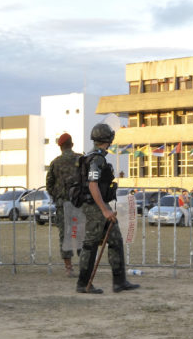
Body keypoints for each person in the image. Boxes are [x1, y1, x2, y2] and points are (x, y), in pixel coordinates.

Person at [75, 123, 140, 294]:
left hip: (96, 207)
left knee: (114, 240)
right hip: (96, 208)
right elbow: (93, 185)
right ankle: (83, 283)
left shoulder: (92, 156)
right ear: (107, 139)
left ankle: (119, 281)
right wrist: (104, 210)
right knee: (91, 245)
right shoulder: (96, 159)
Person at [46, 132, 81, 276]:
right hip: (79, 203)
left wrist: (57, 196)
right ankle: (85, 265)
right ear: (72, 145)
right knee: (80, 233)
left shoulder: (55, 163)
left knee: (65, 235)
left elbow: (49, 185)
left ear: (60, 147)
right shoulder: (81, 159)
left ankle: (69, 268)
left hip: (62, 204)